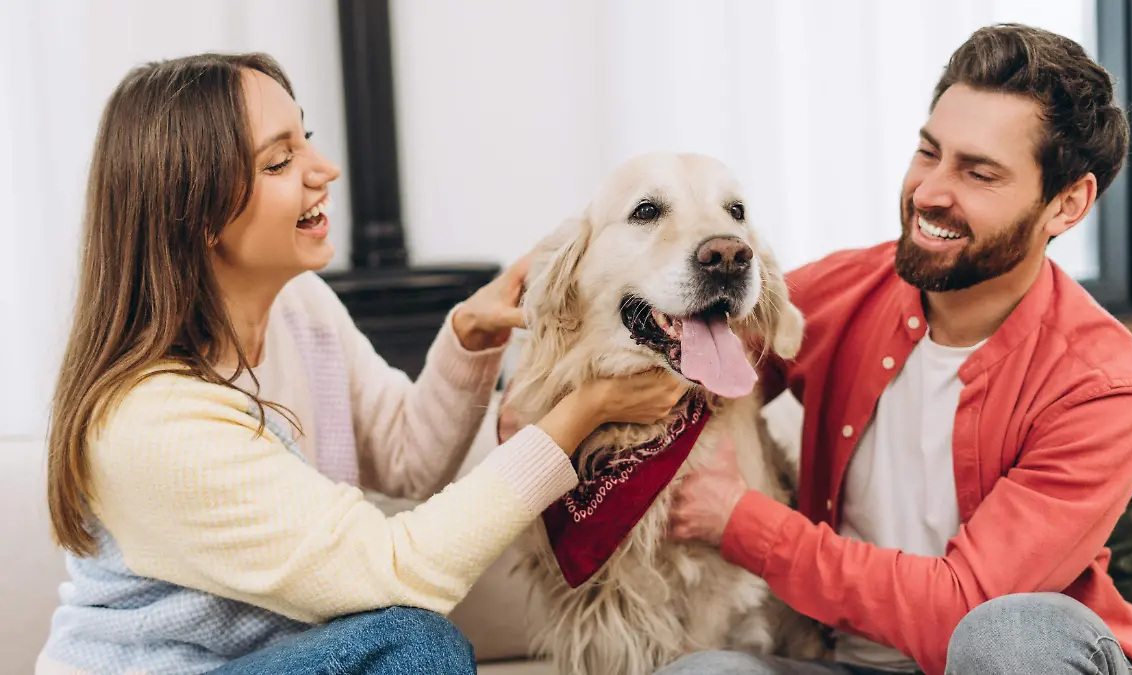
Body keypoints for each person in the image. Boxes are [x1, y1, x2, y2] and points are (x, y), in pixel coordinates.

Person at [37, 53, 688, 675]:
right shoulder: (152, 423)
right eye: (280, 160)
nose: (324, 169)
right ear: (200, 212)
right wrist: (582, 412)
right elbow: (399, 570)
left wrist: (468, 335)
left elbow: (406, 456)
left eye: (307, 138)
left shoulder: (300, 306)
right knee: (411, 646)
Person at [659, 24, 1132, 675]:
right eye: (929, 152)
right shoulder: (846, 289)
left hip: (1013, 659)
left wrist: (744, 520)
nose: (930, 191)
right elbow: (688, 365)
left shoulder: (1105, 385)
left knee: (1008, 633)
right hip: (854, 662)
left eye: (978, 172)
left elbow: (960, 610)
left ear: (1067, 204)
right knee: (701, 673)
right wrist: (545, 406)